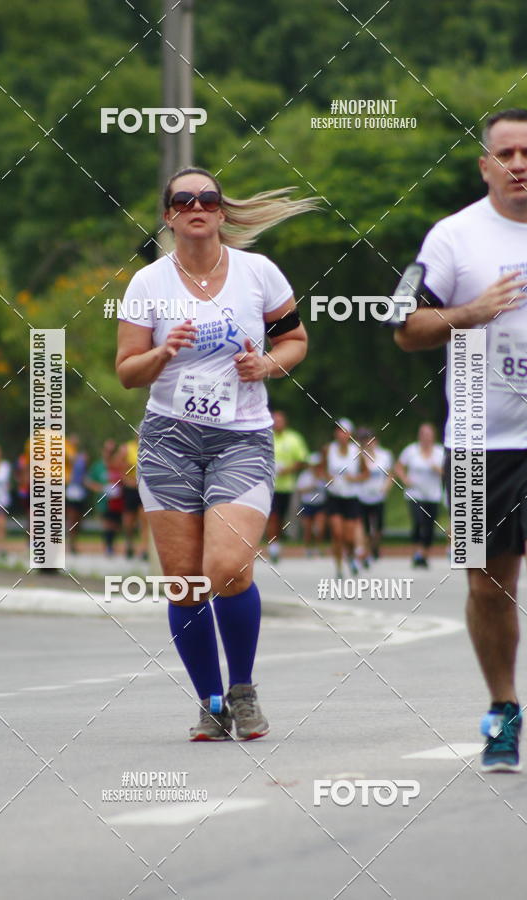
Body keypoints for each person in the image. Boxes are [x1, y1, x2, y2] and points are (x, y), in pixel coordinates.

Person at [116, 166, 312, 741]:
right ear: (170, 215)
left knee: (226, 568)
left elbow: (294, 340)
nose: (197, 206)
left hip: (241, 437)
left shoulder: (259, 274)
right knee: (184, 583)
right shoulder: (149, 284)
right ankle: (210, 700)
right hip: (168, 439)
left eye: (208, 198)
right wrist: (163, 353)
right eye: (184, 199)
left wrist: (267, 364)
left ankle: (243, 689)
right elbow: (127, 371)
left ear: (222, 212)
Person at [394, 108, 527, 770]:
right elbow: (403, 324)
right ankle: (502, 708)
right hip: (473, 436)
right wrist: (469, 313)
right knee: (489, 584)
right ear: (485, 166)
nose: (518, 163)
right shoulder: (451, 238)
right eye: (505, 153)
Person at [395, 423, 444, 568]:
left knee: (429, 525)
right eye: (424, 435)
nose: (426, 438)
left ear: (433, 436)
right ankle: (417, 552)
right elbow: (398, 467)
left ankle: (425, 554)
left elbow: (450, 471)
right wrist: (404, 479)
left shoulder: (439, 452)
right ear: (419, 436)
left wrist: (438, 470)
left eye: (429, 435)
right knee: (418, 522)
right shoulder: (411, 451)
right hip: (414, 493)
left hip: (433, 495)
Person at [324, 419, 368, 578]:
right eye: (338, 431)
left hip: (351, 498)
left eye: (344, 431)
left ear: (349, 434)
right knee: (337, 533)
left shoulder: (356, 451)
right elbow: (320, 469)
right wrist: (327, 477)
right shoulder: (328, 449)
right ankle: (338, 568)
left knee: (349, 537)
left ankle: (350, 557)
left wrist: (355, 479)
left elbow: (366, 473)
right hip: (334, 497)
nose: (341, 434)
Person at [266, 409, 308, 563]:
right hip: (268, 485)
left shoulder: (294, 438)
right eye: (274, 421)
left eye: (280, 421)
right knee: (273, 515)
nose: (277, 424)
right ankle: (273, 545)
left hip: (287, 486)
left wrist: (288, 469)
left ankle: (278, 540)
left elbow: (302, 460)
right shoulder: (265, 436)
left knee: (282, 517)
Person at [354, 427, 394, 562]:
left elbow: (390, 475)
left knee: (378, 528)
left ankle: (374, 548)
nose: (367, 443)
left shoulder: (385, 455)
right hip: (362, 496)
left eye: (369, 440)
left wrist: (385, 488)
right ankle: (364, 551)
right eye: (364, 440)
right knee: (363, 527)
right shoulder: (357, 457)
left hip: (378, 497)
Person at [296, 451, 327, 557]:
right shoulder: (304, 475)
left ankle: (318, 547)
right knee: (308, 529)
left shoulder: (323, 475)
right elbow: (300, 490)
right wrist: (311, 486)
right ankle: (308, 548)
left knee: (319, 528)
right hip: (307, 504)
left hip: (320, 504)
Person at [65, 434, 88, 554]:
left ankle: (74, 541)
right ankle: (70, 542)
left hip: (80, 490)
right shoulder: (66, 454)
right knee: (72, 516)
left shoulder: (81, 457)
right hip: (71, 488)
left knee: (79, 518)